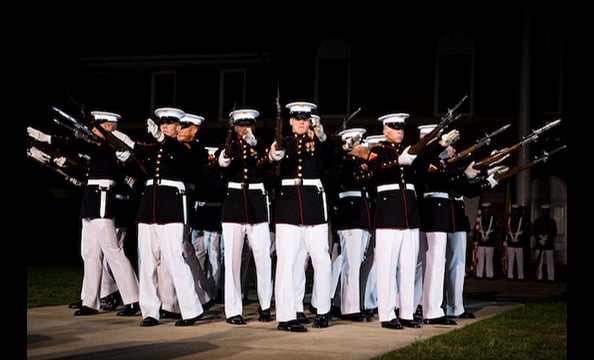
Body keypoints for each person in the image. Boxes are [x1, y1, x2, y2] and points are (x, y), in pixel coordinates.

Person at [27, 111, 141, 317]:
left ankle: (134, 299)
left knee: (113, 250)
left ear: (108, 127)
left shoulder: (113, 146)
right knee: (89, 252)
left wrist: (46, 138)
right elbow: (80, 150)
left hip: (102, 197)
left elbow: (80, 146)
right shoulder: (98, 146)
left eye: (97, 125)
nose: (92, 129)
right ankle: (90, 301)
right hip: (91, 198)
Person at [132, 107, 204, 327]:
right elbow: (139, 165)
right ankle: (150, 311)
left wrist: (162, 139)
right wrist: (126, 156)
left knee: (174, 257)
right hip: (149, 205)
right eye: (162, 121)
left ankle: (190, 309)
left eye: (170, 121)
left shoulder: (186, 149)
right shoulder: (154, 147)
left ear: (178, 126)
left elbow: (184, 159)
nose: (164, 125)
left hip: (172, 204)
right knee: (147, 260)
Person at [269, 101, 333, 332]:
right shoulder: (284, 142)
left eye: (305, 119)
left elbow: (332, 156)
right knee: (287, 261)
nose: (301, 122)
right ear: (291, 121)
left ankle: (323, 310)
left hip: (314, 202)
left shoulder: (320, 142)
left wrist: (323, 136)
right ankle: (286, 316)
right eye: (297, 118)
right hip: (288, 204)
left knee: (322, 259)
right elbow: (271, 164)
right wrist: (272, 156)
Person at [364, 113, 424, 329]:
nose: (399, 131)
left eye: (401, 128)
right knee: (387, 267)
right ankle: (387, 314)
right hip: (388, 213)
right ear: (385, 129)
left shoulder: (409, 151)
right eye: (394, 127)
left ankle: (406, 312)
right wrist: (396, 162)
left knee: (408, 266)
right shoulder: (377, 151)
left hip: (409, 212)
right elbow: (374, 172)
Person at [217, 108, 275, 325]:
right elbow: (221, 164)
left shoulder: (261, 146)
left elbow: (271, 166)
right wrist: (227, 152)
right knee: (232, 259)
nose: (244, 129)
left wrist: (257, 147)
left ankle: (265, 305)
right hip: (233, 204)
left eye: (248, 124)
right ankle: (233, 310)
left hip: (257, 203)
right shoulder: (228, 146)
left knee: (262, 258)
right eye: (240, 125)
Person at [414, 124, 460, 326]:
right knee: (433, 261)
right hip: (432, 208)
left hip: (437, 209)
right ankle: (431, 309)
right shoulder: (425, 160)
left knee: (432, 261)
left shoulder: (438, 161)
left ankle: (425, 305)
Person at [331, 127, 374, 322]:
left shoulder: (359, 163)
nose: (361, 146)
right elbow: (347, 179)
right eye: (357, 143)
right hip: (350, 215)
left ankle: (349, 303)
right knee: (351, 263)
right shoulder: (344, 163)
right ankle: (350, 307)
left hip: (362, 214)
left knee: (358, 261)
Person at [473, 202, 499, 280]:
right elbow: (476, 229)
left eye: (487, 208)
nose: (486, 210)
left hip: (490, 241)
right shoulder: (479, 218)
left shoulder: (493, 218)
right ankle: (479, 275)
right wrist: (475, 240)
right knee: (480, 259)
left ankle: (489, 275)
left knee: (489, 259)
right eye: (484, 208)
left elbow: (496, 229)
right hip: (481, 241)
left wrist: (490, 235)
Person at [505, 204, 530, 281]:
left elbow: (525, 231)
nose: (515, 211)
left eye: (516, 210)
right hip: (511, 243)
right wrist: (506, 240)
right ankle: (510, 276)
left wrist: (521, 239)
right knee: (510, 260)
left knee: (520, 261)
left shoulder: (523, 219)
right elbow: (507, 230)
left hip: (519, 243)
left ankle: (520, 276)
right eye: (513, 210)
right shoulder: (509, 218)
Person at [532, 204, 557, 282]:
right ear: (542, 211)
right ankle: (539, 277)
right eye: (543, 211)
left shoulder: (552, 221)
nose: (545, 212)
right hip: (539, 244)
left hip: (549, 244)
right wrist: (539, 239)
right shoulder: (538, 221)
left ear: (548, 211)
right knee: (539, 261)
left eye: (546, 211)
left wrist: (546, 238)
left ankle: (551, 277)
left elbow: (554, 232)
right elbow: (535, 232)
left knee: (550, 261)